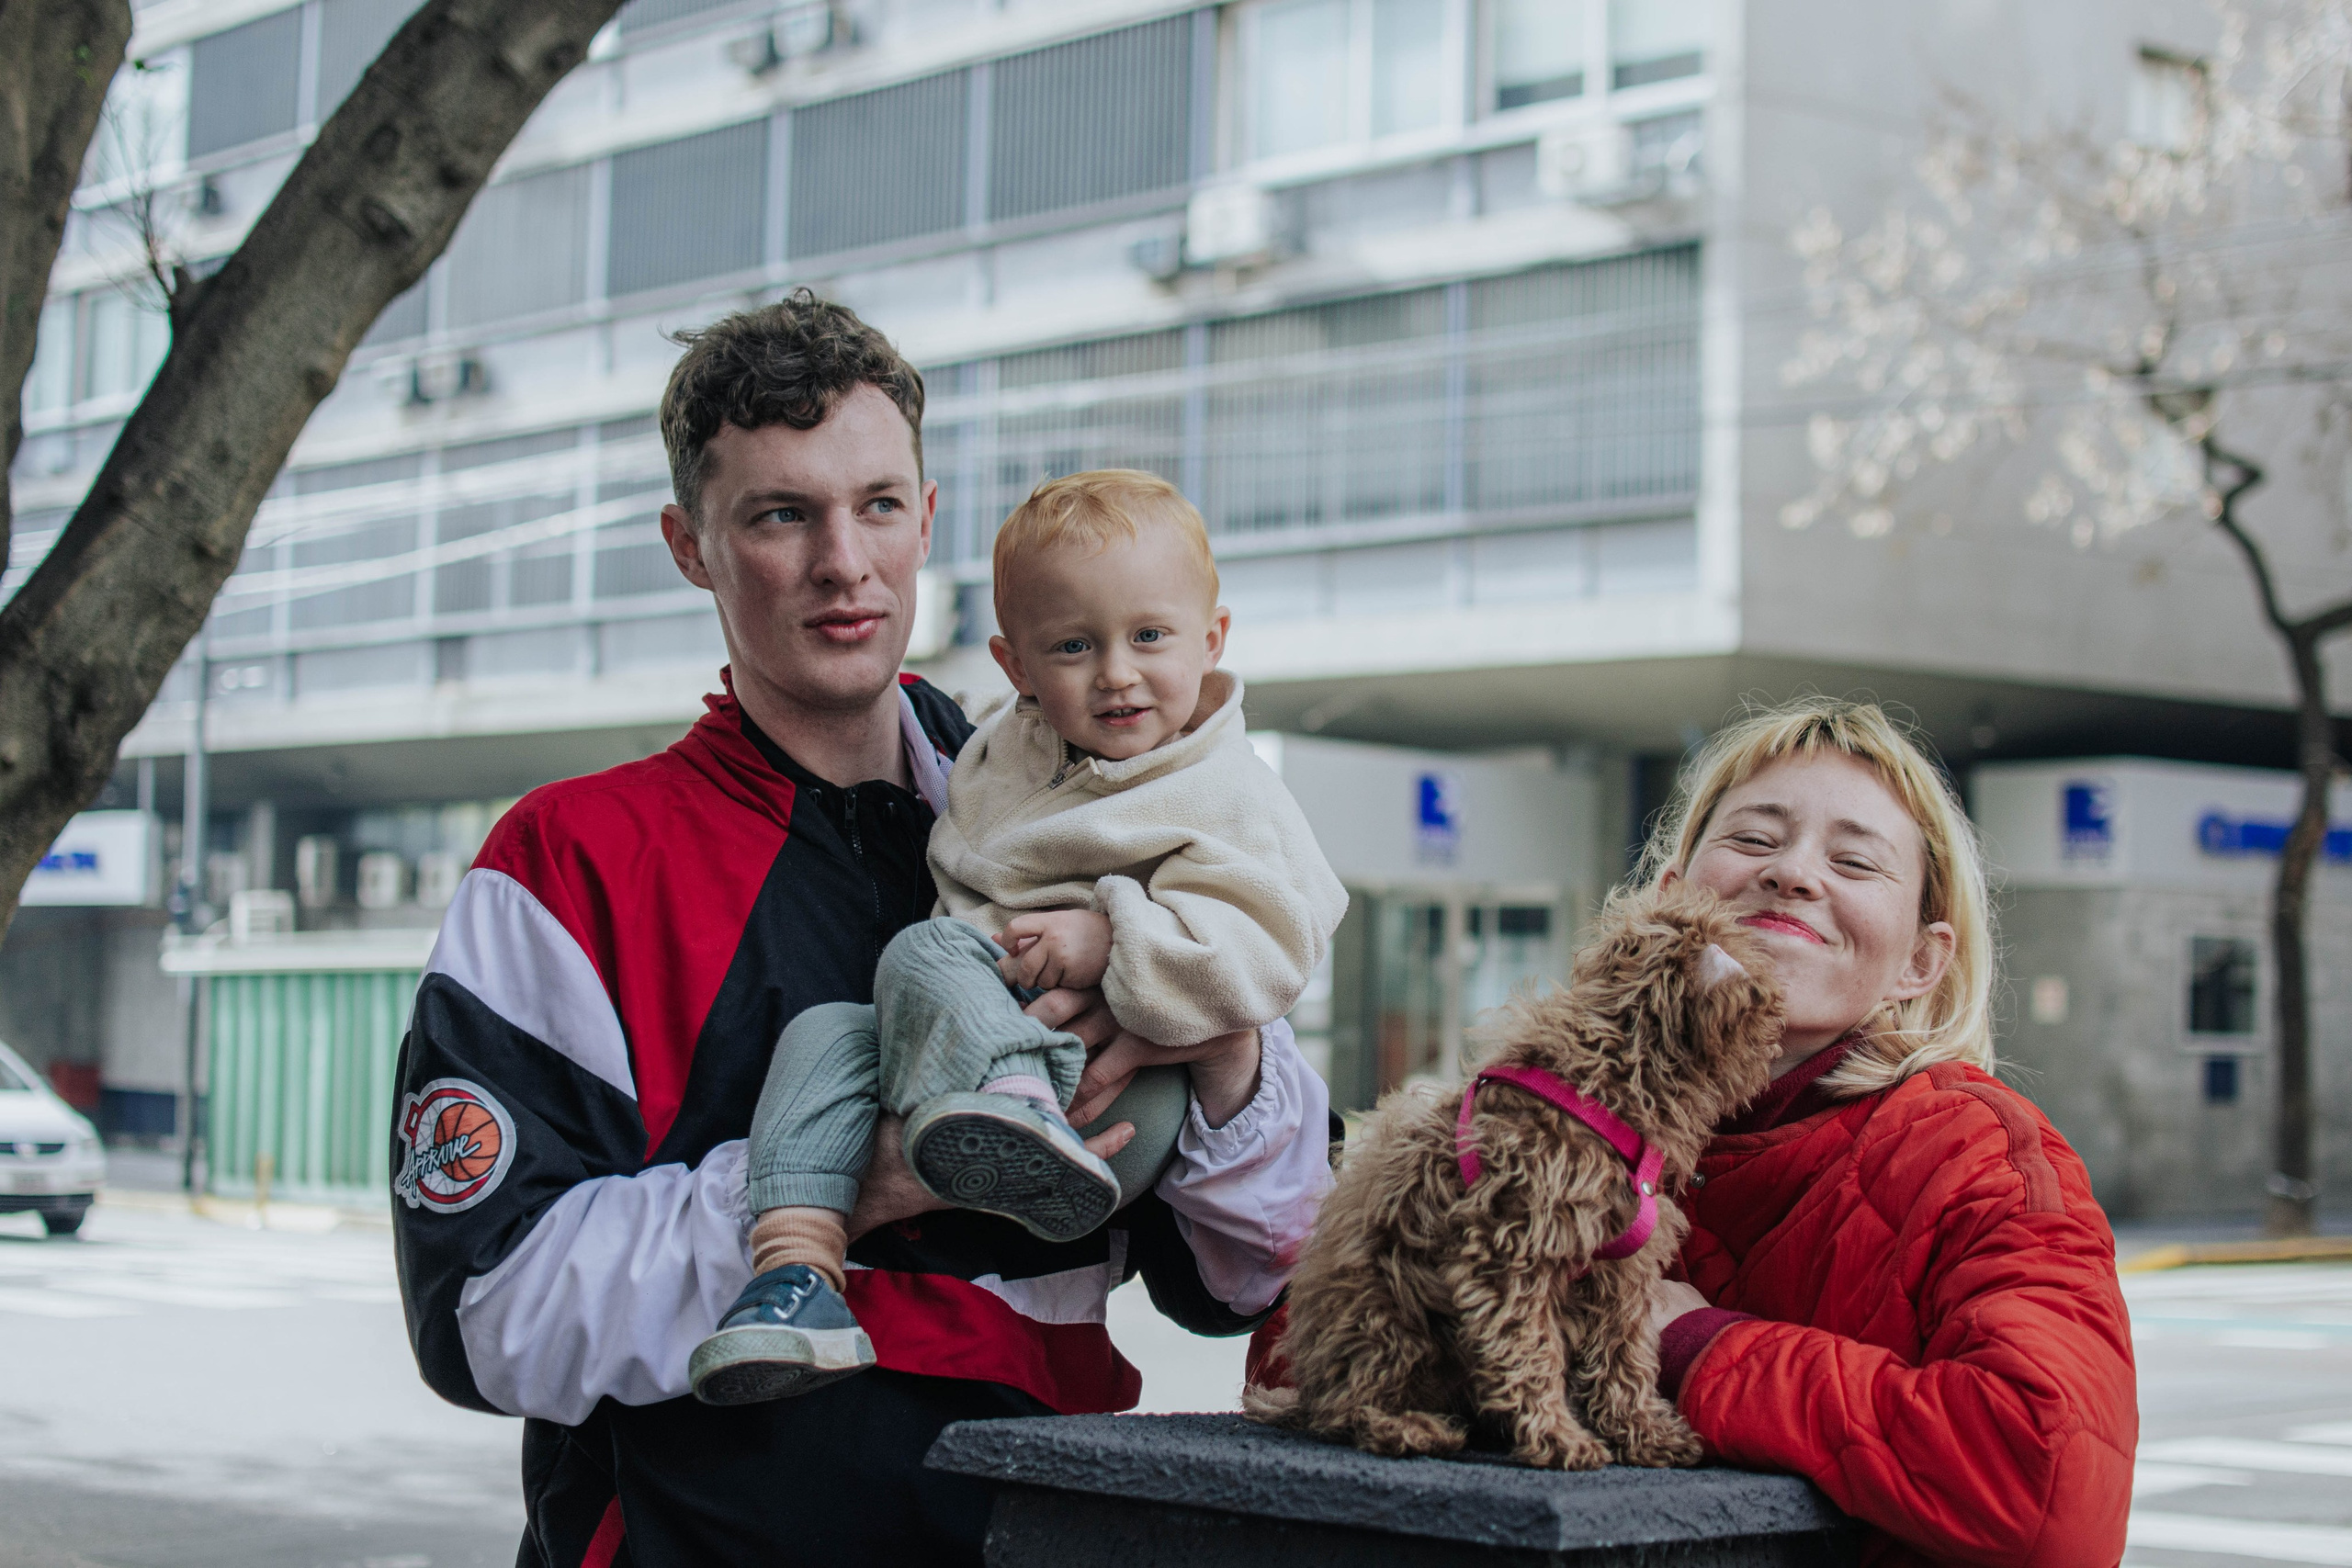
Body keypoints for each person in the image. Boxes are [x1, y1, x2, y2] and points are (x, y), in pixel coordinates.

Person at [390, 293, 1333, 1566]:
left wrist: (1218, 1047)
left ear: (928, 517)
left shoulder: (1111, 798)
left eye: (879, 504)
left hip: (1034, 1533)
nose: (846, 561)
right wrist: (874, 1171)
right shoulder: (570, 860)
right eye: (782, 513)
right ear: (690, 544)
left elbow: (1247, 1274)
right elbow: (483, 1312)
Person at [689, 470, 1348, 1404]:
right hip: (976, 1046)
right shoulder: (1011, 751)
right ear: (1016, 668)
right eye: (1073, 646)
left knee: (918, 955)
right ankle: (796, 1273)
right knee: (828, 1035)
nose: (1116, 672)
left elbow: (1274, 940)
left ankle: (1018, 1114)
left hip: (1115, 1107)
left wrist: (1114, 934)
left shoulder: (1225, 788)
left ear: (1213, 641)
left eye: (1149, 637)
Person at [1639, 699, 2136, 1566]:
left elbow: (2052, 1492)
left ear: (1921, 961)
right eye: (1755, 839)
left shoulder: (1978, 1154)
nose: (1792, 875)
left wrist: (1699, 1346)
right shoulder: (1547, 1122)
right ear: (1674, 895)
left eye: (1855, 860)